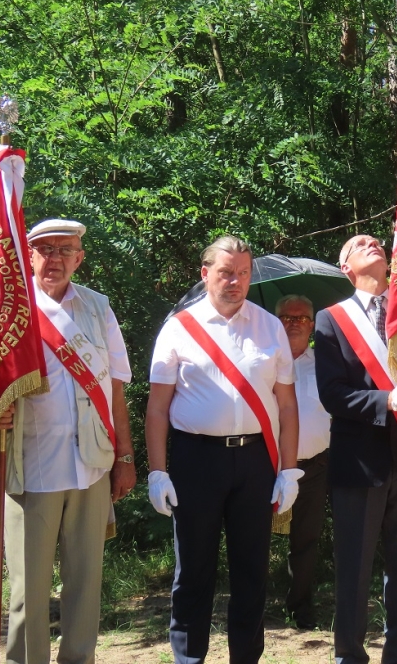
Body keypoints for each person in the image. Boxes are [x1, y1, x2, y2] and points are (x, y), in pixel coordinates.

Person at [145, 235, 302, 664]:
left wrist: (289, 470)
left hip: (255, 461)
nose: (236, 281)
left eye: (244, 273)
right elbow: (157, 408)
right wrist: (157, 471)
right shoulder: (179, 327)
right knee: (193, 570)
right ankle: (188, 658)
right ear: (205, 273)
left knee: (252, 570)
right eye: (226, 272)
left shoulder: (269, 326)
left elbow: (287, 405)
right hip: (196, 460)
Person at [0, 218, 136, 664]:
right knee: (28, 591)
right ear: (29, 255)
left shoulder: (98, 307)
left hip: (91, 465)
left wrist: (125, 457)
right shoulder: (6, 309)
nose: (55, 258)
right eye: (45, 249)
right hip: (29, 465)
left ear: (79, 258)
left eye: (65, 250)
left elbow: (115, 387)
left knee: (85, 584)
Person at [314, 234, 397, 664]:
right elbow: (333, 394)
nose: (371, 244)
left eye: (375, 241)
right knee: (354, 568)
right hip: (359, 461)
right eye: (359, 244)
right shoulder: (331, 320)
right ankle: (350, 656)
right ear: (346, 268)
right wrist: (386, 400)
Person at [275, 294, 331, 630]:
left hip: (314, 467)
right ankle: (252, 604)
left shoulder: (326, 362)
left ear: (312, 325)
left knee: (306, 540)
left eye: (301, 318)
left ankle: (300, 608)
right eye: (287, 317)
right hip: (266, 466)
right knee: (252, 536)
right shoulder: (264, 360)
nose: (294, 323)